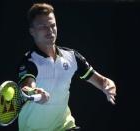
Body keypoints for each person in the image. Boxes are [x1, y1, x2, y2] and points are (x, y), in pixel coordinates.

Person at [17, 3, 116, 131]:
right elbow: (27, 87)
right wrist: (35, 92)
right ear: (32, 31)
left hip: (64, 126)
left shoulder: (72, 57)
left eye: (53, 25)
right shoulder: (29, 62)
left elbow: (101, 81)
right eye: (43, 27)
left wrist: (107, 85)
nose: (50, 30)